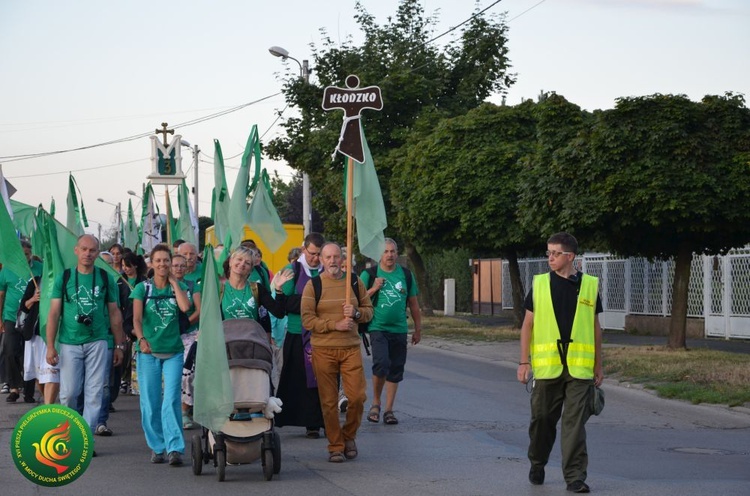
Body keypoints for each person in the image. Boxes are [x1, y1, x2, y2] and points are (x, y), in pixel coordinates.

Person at [517, 232, 604, 494]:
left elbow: (595, 328)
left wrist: (598, 365)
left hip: (579, 368)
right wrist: (524, 362)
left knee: (574, 425)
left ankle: (575, 477)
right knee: (542, 419)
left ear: (570, 257)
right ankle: (538, 461)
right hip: (547, 366)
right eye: (548, 253)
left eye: (555, 254)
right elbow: (527, 325)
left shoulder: (589, 285)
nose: (550, 258)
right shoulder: (541, 284)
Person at [46, 234, 126, 455]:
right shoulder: (64, 278)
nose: (88, 254)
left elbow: (114, 312)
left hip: (98, 341)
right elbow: (54, 313)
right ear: (76, 250)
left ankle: (85, 440)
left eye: (92, 250)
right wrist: (50, 346)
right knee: (70, 393)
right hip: (69, 342)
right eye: (84, 249)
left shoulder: (104, 277)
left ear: (97, 252)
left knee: (94, 392)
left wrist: (119, 345)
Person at [301, 242, 372, 463]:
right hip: (323, 350)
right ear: (321, 260)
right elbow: (307, 319)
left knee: (357, 397)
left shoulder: (354, 281)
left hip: (350, 348)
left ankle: (349, 436)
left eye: (336, 257)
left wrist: (357, 313)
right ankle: (336, 445)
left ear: (342, 259)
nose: (333, 261)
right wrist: (335, 324)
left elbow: (369, 312)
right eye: (328, 257)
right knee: (329, 402)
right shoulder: (314, 285)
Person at [131, 244, 192, 466]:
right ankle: (157, 446)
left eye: (166, 260)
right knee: (150, 402)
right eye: (158, 261)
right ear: (152, 263)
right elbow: (136, 320)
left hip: (173, 352)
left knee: (172, 399)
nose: (163, 264)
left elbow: (185, 307)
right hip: (148, 353)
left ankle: (175, 447)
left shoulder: (180, 286)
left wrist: (175, 283)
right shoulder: (142, 289)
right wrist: (141, 339)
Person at [360, 238, 421, 425]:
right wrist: (374, 288)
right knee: (381, 363)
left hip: (400, 329)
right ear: (379, 255)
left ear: (397, 254)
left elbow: (413, 304)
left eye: (393, 251)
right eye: (386, 252)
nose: (390, 255)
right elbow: (358, 299)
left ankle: (388, 409)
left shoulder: (406, 275)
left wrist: (418, 329)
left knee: (395, 368)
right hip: (377, 327)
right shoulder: (369, 274)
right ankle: (376, 403)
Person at [275, 233, 326, 438]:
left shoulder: (328, 270)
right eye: (312, 254)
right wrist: (314, 302)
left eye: (319, 254)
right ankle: (301, 418)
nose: (316, 258)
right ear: (304, 250)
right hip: (297, 333)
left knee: (320, 379)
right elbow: (286, 303)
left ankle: (316, 422)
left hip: (323, 334)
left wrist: (304, 301)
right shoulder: (292, 270)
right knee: (299, 380)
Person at [0, 240, 43, 403]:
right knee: (10, 351)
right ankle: (14, 387)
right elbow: (1, 295)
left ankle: (29, 390)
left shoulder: (39, 269)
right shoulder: (7, 270)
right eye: (21, 254)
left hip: (31, 317)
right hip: (11, 316)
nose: (24, 257)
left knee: (29, 353)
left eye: (27, 254)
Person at [171, 253, 202, 430]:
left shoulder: (192, 286)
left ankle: (185, 410)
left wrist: (184, 325)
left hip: (189, 333)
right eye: (175, 265)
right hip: (167, 337)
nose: (179, 269)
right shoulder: (162, 285)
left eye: (182, 265)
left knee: (187, 372)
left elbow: (198, 310)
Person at [118, 252, 148, 395]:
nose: (126, 269)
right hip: (125, 320)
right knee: (124, 351)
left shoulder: (144, 281)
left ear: (135, 265)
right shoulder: (119, 281)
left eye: (128, 265)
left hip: (140, 320)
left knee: (134, 352)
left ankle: (132, 380)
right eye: (123, 266)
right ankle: (124, 379)